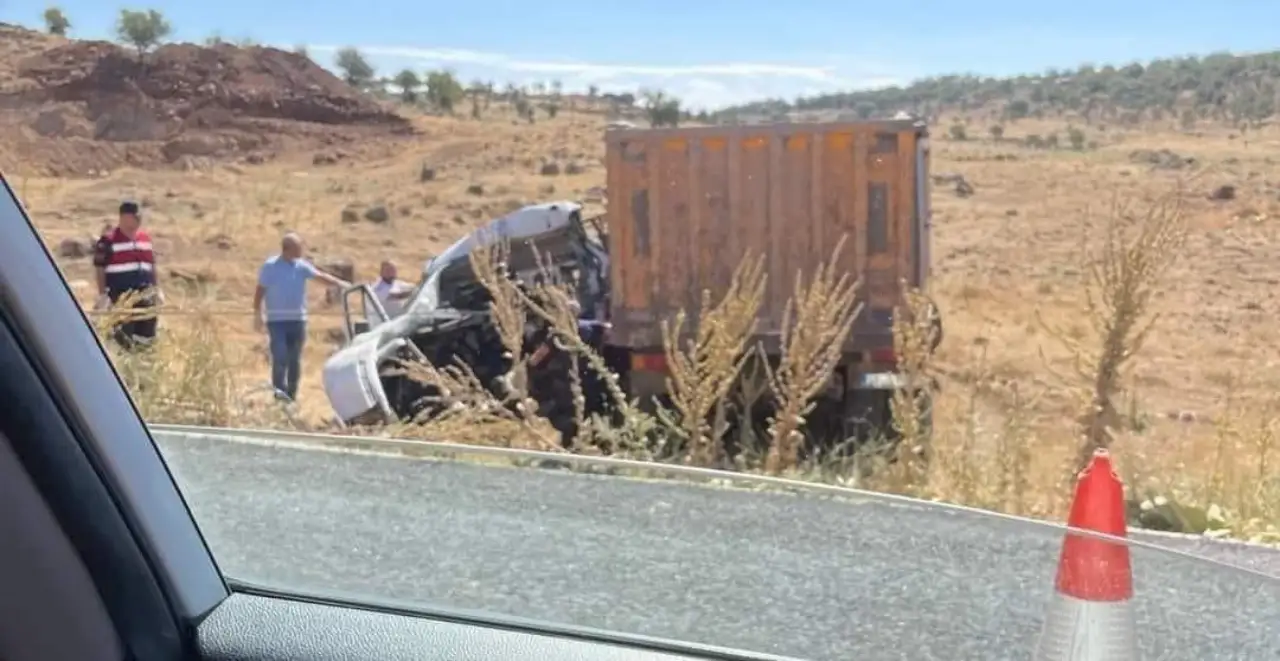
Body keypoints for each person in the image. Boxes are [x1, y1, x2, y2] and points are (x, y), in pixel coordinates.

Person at [252, 232, 350, 402]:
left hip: (298, 320)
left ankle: (291, 394)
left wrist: (340, 284)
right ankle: (279, 394)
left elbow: (320, 277)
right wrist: (257, 313)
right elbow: (260, 290)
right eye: (298, 248)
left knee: (294, 359)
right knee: (280, 356)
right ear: (287, 249)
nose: (301, 251)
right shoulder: (270, 267)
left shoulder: (301, 266)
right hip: (277, 321)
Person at [92, 201, 164, 350]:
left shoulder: (145, 239)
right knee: (123, 337)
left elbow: (151, 265)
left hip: (145, 295)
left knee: (147, 336)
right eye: (135, 217)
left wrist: (157, 289)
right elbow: (99, 268)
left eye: (139, 217)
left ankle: (144, 361)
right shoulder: (108, 241)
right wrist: (102, 295)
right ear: (124, 217)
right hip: (121, 296)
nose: (138, 221)